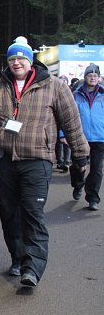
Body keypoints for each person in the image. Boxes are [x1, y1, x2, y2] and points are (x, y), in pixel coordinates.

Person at [0, 36, 89, 288]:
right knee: (9, 214)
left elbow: (71, 121)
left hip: (38, 160)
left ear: (30, 61)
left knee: (32, 212)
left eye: (21, 58)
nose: (16, 62)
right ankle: (17, 258)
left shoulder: (54, 86)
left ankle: (32, 267)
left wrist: (80, 153)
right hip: (7, 160)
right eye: (12, 59)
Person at [69, 63, 104, 211]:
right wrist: (63, 134)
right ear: (85, 78)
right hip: (80, 137)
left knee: (96, 169)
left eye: (95, 76)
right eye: (90, 76)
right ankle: (78, 185)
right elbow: (68, 116)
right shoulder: (76, 95)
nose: (93, 78)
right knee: (78, 167)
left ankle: (93, 198)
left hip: (99, 138)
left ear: (99, 79)